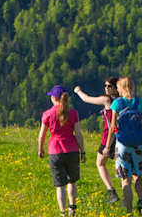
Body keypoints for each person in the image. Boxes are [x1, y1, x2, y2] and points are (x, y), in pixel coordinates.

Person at [38, 85, 85, 216]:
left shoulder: (47, 114)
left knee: (60, 185)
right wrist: (83, 151)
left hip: (55, 151)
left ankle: (62, 212)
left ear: (53, 98)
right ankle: (73, 207)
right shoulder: (73, 113)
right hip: (72, 150)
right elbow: (79, 134)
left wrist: (40, 149)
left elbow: (42, 135)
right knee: (72, 181)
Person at [73, 78, 122, 204]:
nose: (106, 88)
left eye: (109, 86)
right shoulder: (123, 100)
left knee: (100, 163)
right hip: (122, 137)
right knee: (121, 167)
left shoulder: (107, 100)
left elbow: (87, 99)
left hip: (109, 136)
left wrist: (78, 91)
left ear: (116, 87)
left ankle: (111, 191)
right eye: (105, 85)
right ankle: (126, 195)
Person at [109, 77, 142, 213]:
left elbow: (112, 126)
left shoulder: (117, 103)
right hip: (138, 145)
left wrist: (106, 146)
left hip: (122, 145)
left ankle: (129, 211)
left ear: (121, 88)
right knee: (138, 176)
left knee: (125, 180)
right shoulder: (141, 104)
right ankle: (140, 200)